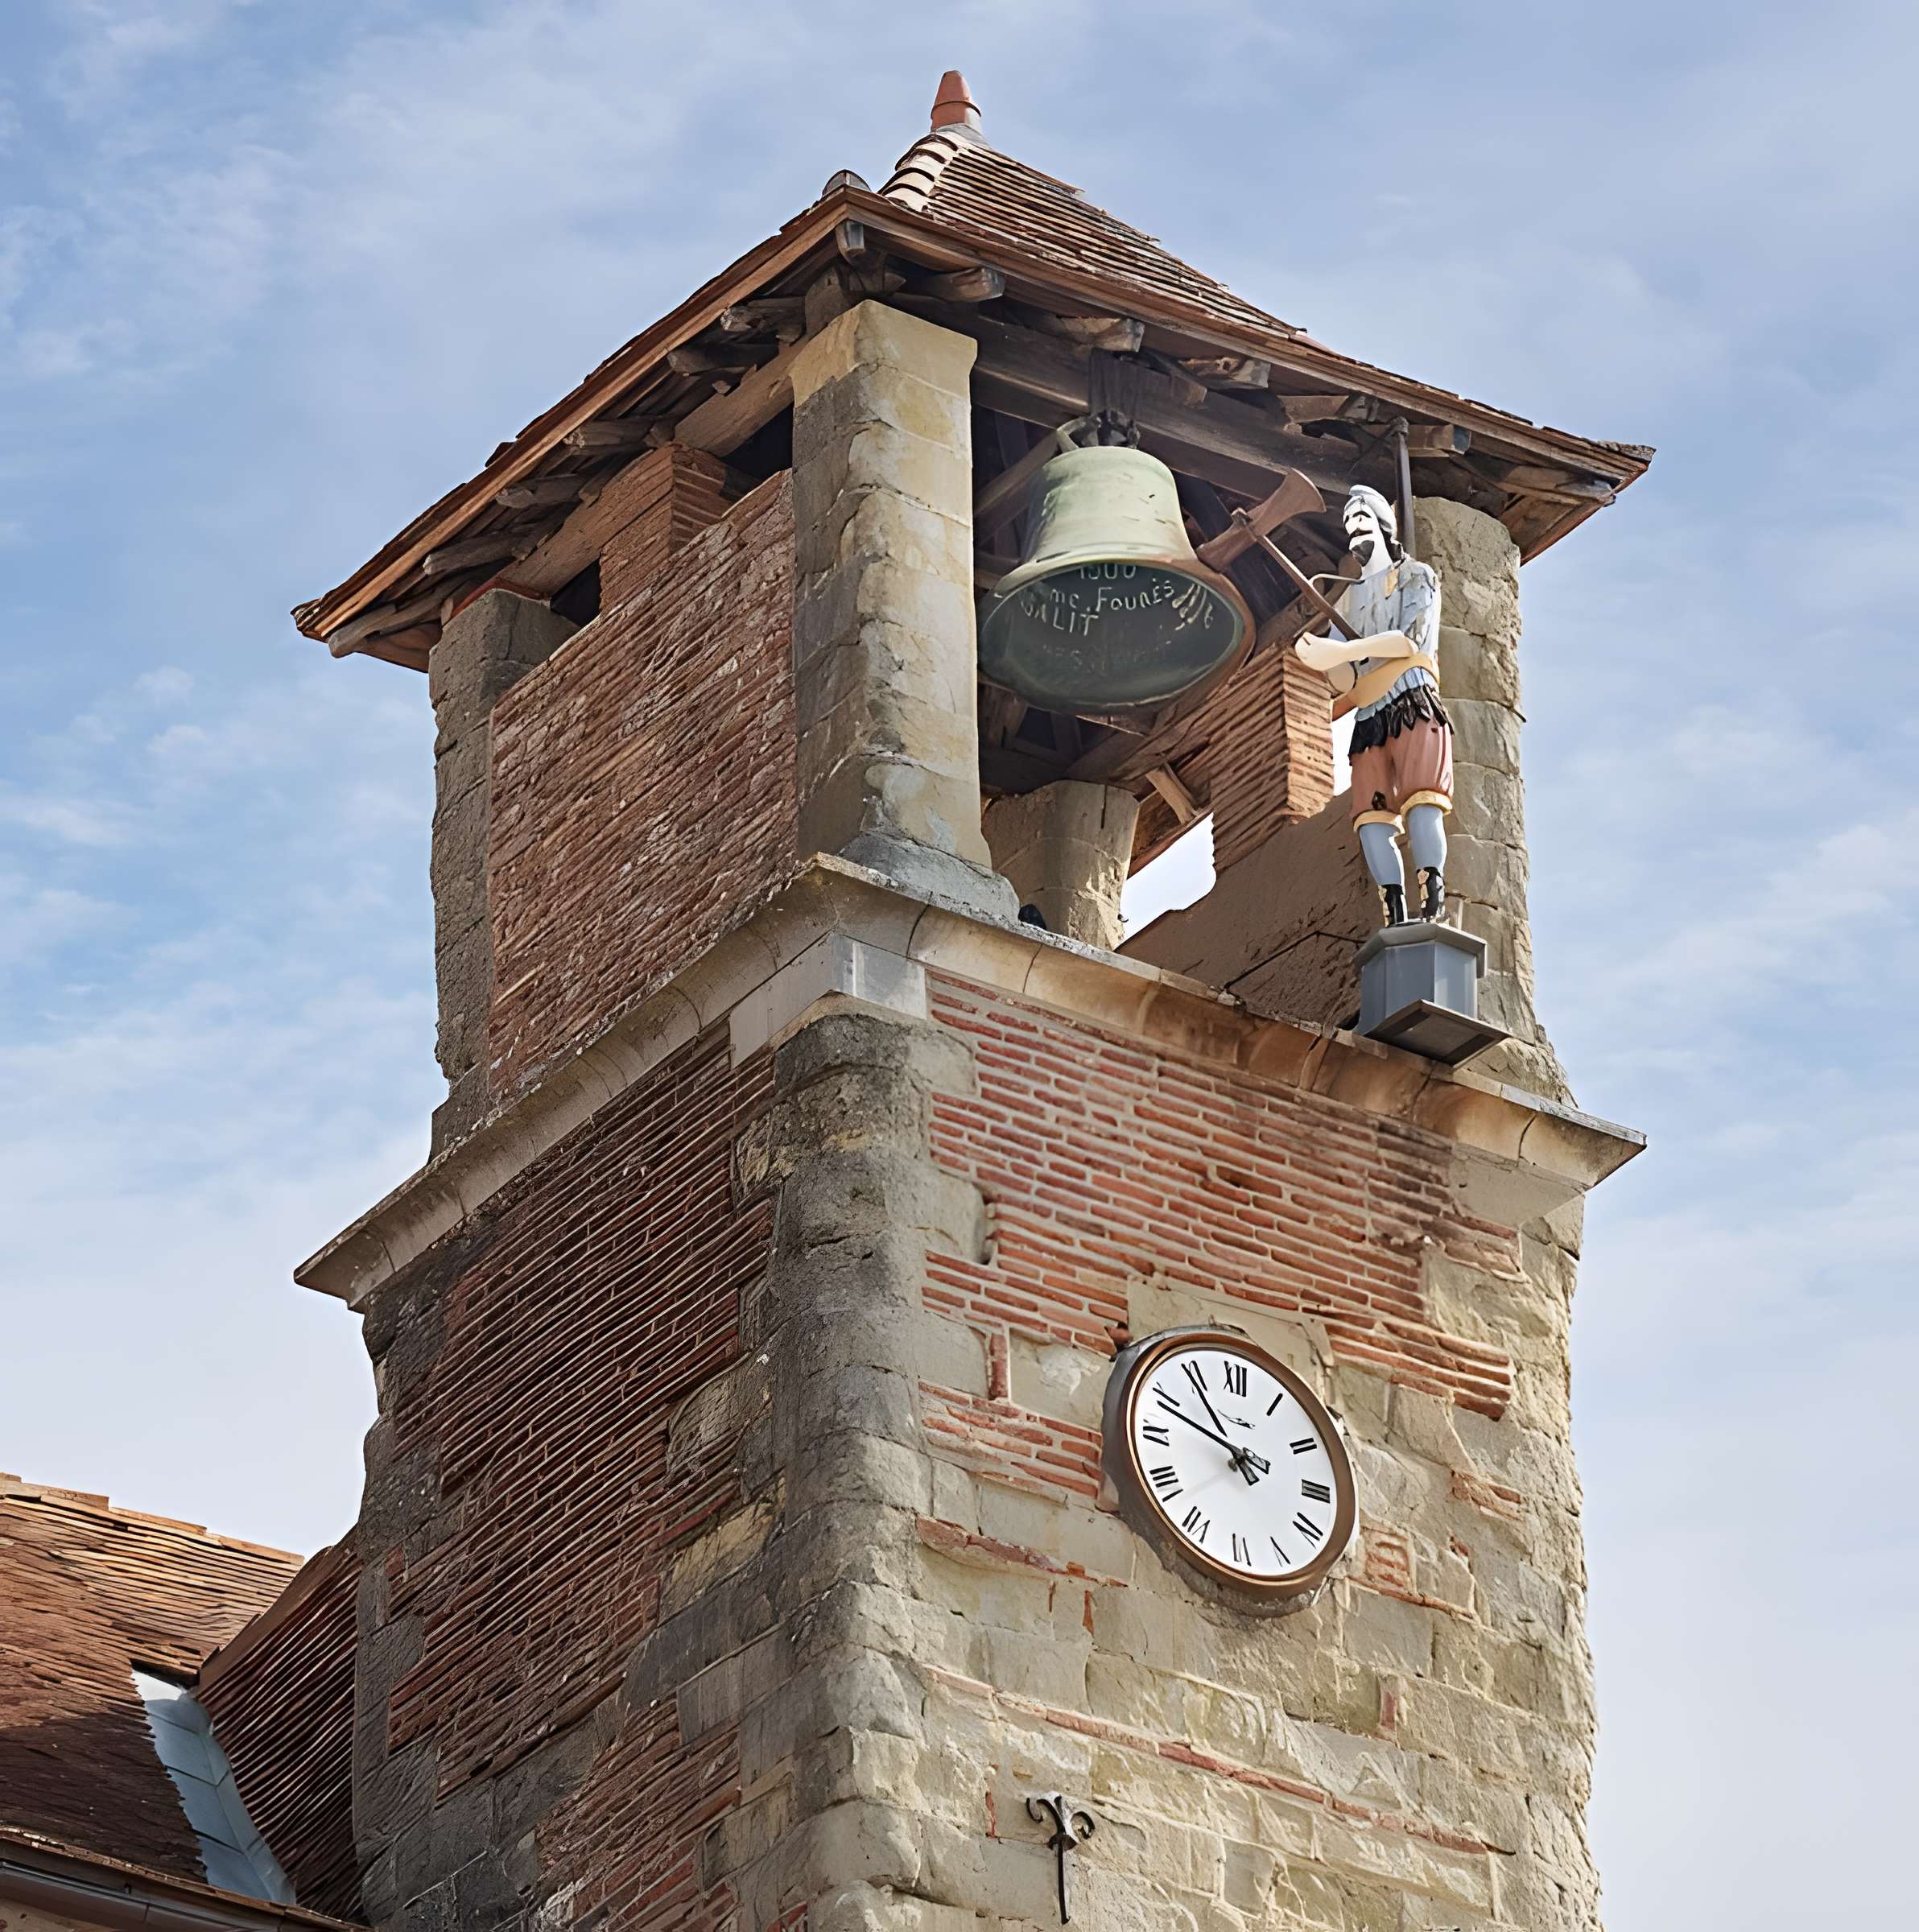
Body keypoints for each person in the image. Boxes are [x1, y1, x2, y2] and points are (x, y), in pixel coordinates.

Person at [1294, 485, 1451, 924]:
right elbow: (1345, 676)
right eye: (1347, 523)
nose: (1352, 529)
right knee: (1371, 817)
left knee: (1423, 799)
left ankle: (1433, 894)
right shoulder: (1346, 598)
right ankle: (1394, 907)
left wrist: (1341, 652)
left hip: (1411, 698)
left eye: (1360, 518)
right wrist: (1320, 659)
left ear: (1383, 524)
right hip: (1369, 715)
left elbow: (1409, 639)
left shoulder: (1416, 576)